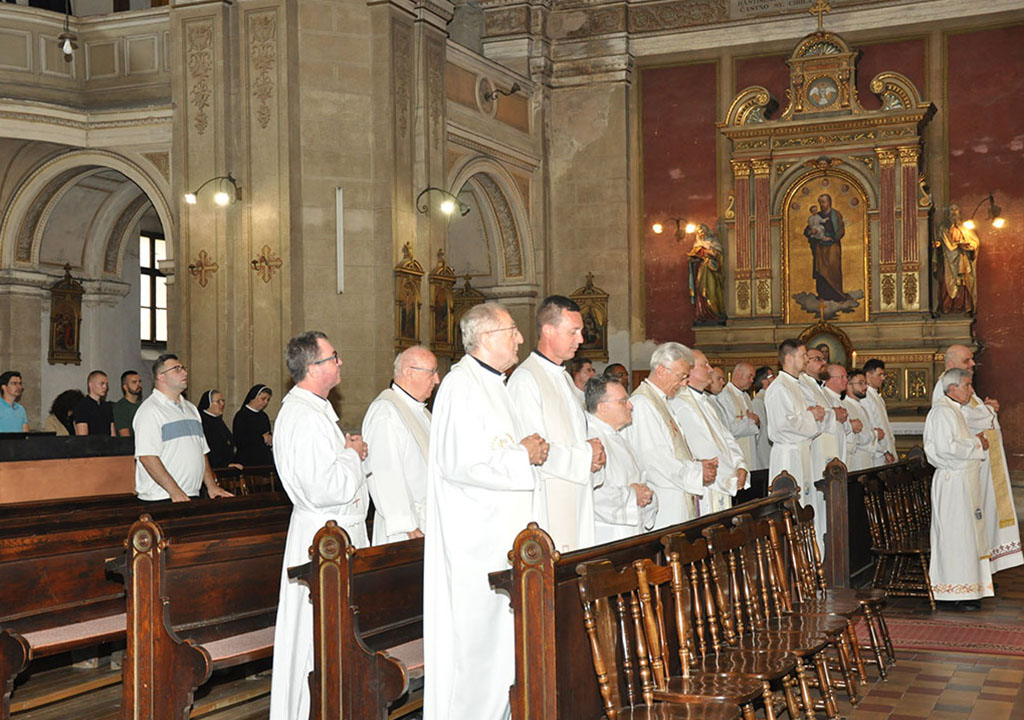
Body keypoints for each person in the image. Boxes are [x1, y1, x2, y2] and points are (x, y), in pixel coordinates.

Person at [423, 302, 549, 720]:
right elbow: (461, 465)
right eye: (513, 331)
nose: (519, 339)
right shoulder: (461, 386)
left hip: (502, 538)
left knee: (503, 645)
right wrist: (522, 454)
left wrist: (524, 451)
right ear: (488, 338)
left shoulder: (494, 383)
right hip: (476, 543)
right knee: (479, 647)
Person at [269, 331, 370, 720]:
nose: (340, 362)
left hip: (334, 534)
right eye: (333, 357)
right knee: (312, 636)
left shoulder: (314, 410)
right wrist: (352, 454)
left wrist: (349, 455)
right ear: (313, 368)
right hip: (321, 538)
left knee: (331, 633)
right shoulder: (302, 415)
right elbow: (324, 487)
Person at [508, 295, 605, 552]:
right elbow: (536, 451)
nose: (581, 339)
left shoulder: (562, 378)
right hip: (548, 504)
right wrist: (586, 455)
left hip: (575, 495)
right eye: (573, 331)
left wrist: (592, 456)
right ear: (549, 331)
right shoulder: (526, 379)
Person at [931, 345, 1022, 574]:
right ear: (951, 366)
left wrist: (986, 410)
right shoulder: (944, 397)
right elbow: (954, 435)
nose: (972, 364)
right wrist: (988, 412)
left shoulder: (960, 390)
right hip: (959, 473)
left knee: (973, 527)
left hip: (970, 470)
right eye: (967, 360)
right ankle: (962, 580)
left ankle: (977, 574)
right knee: (961, 530)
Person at [622, 342, 716, 529]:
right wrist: (697, 473)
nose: (683, 384)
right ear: (662, 370)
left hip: (676, 494)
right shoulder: (642, 404)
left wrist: (696, 465)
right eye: (681, 377)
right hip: (663, 500)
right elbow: (653, 461)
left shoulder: (662, 402)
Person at [925, 368, 993, 610]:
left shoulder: (955, 411)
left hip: (963, 482)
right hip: (953, 484)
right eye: (967, 385)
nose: (971, 390)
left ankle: (967, 589)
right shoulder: (942, 412)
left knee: (967, 537)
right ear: (952, 388)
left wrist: (974, 441)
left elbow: (955, 443)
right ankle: (952, 592)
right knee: (955, 538)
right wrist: (977, 443)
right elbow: (945, 449)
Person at [363, 345, 439, 545]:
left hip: (427, 521)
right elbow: (384, 472)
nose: (437, 379)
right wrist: (406, 524)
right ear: (409, 372)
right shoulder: (386, 412)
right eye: (432, 372)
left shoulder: (421, 412)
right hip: (404, 530)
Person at [132, 354, 233, 502]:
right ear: (161, 377)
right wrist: (174, 491)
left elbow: (201, 452)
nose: (184, 372)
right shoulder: (150, 410)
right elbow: (147, 457)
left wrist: (212, 486)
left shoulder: (191, 409)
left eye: (183, 368)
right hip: (163, 496)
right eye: (177, 369)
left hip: (191, 493)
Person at [670, 349, 748, 515]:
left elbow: (726, 438)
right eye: (704, 364)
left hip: (720, 480)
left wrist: (740, 465)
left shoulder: (705, 401)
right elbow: (704, 449)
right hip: (707, 486)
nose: (711, 369)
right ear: (689, 370)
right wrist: (732, 474)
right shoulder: (681, 404)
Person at [765, 339, 825, 546]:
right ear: (789, 358)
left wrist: (811, 415)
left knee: (805, 505)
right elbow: (782, 426)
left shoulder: (795, 385)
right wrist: (811, 416)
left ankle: (807, 556)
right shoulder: (779, 388)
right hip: (788, 457)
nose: (807, 359)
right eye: (803, 356)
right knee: (790, 509)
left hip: (801, 452)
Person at [585, 376, 657, 542]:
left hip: (630, 534)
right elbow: (592, 497)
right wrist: (633, 495)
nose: (630, 406)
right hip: (607, 538)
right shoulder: (591, 440)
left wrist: (646, 494)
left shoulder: (617, 437)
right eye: (623, 401)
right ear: (603, 408)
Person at [801, 346, 845, 475]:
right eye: (818, 359)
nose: (824, 362)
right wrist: (834, 414)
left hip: (833, 451)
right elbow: (810, 416)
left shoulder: (821, 388)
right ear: (805, 361)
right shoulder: (803, 386)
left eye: (824, 359)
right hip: (817, 453)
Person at [933, 204, 979, 314]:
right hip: (947, 261)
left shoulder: (965, 228)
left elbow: (975, 242)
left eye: (956, 209)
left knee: (962, 284)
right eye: (951, 210)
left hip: (961, 260)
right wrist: (937, 245)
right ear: (948, 213)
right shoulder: (943, 229)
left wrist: (969, 246)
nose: (954, 212)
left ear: (960, 212)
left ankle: (962, 307)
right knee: (945, 283)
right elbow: (938, 243)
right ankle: (946, 307)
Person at [715, 361, 761, 470]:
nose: (752, 380)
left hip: (751, 453)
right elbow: (729, 429)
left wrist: (756, 422)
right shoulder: (725, 395)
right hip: (736, 454)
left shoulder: (745, 396)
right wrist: (752, 422)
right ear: (739, 374)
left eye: (753, 377)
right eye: (750, 376)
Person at [833, 368, 877, 471]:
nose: (865, 387)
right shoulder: (844, 406)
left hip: (867, 458)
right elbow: (856, 437)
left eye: (865, 383)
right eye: (860, 383)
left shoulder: (861, 407)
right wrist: (875, 434)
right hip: (856, 460)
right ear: (848, 385)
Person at [804, 193, 846, 302]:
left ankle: (836, 294)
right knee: (821, 271)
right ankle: (822, 294)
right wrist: (810, 232)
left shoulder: (835, 214)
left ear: (829, 202)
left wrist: (831, 238)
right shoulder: (816, 216)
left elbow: (840, 230)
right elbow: (807, 230)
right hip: (820, 247)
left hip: (833, 246)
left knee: (833, 268)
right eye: (820, 202)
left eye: (823, 202)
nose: (821, 205)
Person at [688, 223, 726, 323]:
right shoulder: (697, 245)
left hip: (712, 271)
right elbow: (692, 260)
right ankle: (702, 314)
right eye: (699, 233)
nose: (701, 235)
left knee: (712, 291)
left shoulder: (713, 243)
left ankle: (715, 313)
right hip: (701, 270)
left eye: (702, 232)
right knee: (701, 291)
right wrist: (694, 258)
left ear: (707, 232)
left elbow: (719, 256)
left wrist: (708, 252)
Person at [862, 359, 896, 465]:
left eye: (883, 374)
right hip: (877, 453)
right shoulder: (865, 396)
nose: (883, 378)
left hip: (885, 448)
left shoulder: (877, 396)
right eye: (879, 374)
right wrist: (884, 451)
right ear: (868, 375)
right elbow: (872, 425)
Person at [197, 389, 241, 470]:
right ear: (208, 403)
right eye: (218, 401)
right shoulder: (201, 422)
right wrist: (224, 465)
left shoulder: (218, 420)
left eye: (223, 401)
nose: (222, 404)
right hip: (214, 469)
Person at [233, 384, 274, 466]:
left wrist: (270, 439)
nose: (265, 402)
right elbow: (240, 440)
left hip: (265, 461)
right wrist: (262, 439)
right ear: (254, 397)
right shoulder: (241, 416)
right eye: (263, 399)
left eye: (268, 400)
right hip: (248, 461)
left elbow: (267, 435)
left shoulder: (264, 416)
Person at [73, 370, 114, 436]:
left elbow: (112, 433)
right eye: (102, 384)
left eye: (106, 384)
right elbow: (82, 436)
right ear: (91, 385)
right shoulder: (82, 406)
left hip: (107, 444)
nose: (105, 387)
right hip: (91, 445)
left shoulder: (107, 406)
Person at [750, 366, 775, 471]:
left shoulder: (772, 397)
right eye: (772, 376)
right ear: (764, 381)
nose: (775, 378)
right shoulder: (758, 401)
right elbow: (762, 431)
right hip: (765, 453)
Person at [112, 370, 142, 437]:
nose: (138, 385)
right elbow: (125, 435)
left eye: (139, 381)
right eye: (134, 382)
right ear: (125, 387)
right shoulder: (120, 407)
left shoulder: (143, 405)